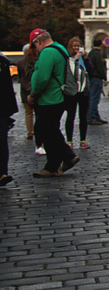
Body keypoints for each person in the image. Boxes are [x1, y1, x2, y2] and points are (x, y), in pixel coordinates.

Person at [27, 29, 78, 178]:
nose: (36, 49)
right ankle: (59, 161)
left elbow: (42, 78)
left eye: (34, 45)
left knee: (46, 131)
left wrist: (32, 94)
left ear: (38, 41)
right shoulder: (60, 48)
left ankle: (58, 163)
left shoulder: (48, 52)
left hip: (49, 98)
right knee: (51, 130)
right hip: (57, 97)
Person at [63, 37, 93, 149]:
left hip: (83, 91)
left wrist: (86, 59)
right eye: (74, 46)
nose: (76, 48)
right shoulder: (67, 59)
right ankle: (69, 141)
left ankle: (83, 140)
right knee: (70, 116)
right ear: (70, 47)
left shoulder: (84, 59)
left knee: (83, 117)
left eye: (78, 46)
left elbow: (91, 71)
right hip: (71, 91)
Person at [17, 43, 42, 154]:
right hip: (32, 89)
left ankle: (30, 132)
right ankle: (35, 131)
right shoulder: (36, 62)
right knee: (36, 112)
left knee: (28, 112)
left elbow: (20, 77)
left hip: (24, 89)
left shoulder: (20, 63)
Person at [1, 50, 18, 186]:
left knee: (1, 140)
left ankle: (2, 173)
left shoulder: (2, 61)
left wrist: (9, 110)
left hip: (1, 110)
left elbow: (7, 88)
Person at [87, 37, 108, 126]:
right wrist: (105, 78)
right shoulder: (98, 54)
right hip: (97, 78)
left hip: (91, 77)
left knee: (92, 97)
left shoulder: (90, 53)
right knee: (95, 98)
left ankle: (96, 116)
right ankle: (92, 117)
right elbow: (100, 67)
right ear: (100, 45)